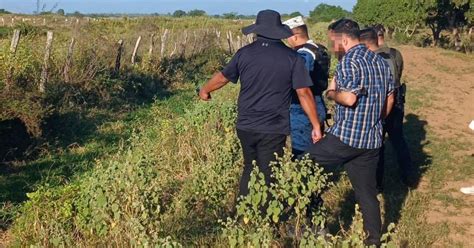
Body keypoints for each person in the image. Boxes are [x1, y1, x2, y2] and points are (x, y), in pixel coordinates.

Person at [198, 10, 322, 199]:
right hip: (274, 127)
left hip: (246, 124)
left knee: (249, 166)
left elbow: (223, 78)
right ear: (279, 32)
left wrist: (205, 90)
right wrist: (315, 125)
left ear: (257, 31)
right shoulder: (292, 58)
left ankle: (244, 211)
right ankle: (266, 218)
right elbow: (304, 93)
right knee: (269, 171)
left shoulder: (244, 54)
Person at [305, 19, 395, 246]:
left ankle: (315, 227)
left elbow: (349, 98)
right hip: (372, 140)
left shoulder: (348, 61)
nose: (333, 46)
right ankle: (373, 241)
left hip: (346, 137)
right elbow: (389, 99)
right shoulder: (381, 62)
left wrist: (331, 93)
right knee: (367, 194)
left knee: (306, 167)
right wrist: (375, 120)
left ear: (343, 39)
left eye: (333, 41)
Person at [360, 27, 417, 191]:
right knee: (398, 140)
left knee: (378, 144)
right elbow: (399, 73)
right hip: (397, 102)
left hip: (380, 104)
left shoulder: (370, 58)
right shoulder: (395, 53)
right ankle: (408, 177)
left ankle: (377, 183)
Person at [283, 16, 331, 157]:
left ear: (295, 36)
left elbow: (300, 85)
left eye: (288, 37)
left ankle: (306, 177)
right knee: (316, 145)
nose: (287, 40)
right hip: (318, 101)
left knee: (302, 152)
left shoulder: (303, 54)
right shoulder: (319, 49)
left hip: (303, 107)